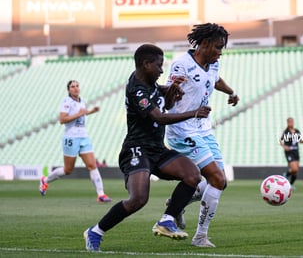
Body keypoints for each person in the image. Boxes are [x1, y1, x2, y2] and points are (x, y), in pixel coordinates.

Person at [84, 44, 212, 252]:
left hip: (156, 149)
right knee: (138, 199)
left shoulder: (151, 83)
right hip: (136, 149)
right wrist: (194, 112)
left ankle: (167, 219)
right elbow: (160, 117)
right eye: (159, 66)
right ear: (145, 64)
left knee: (192, 175)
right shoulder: (136, 90)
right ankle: (95, 232)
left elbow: (165, 102)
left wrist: (171, 90)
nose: (162, 70)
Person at [164, 23, 239, 248]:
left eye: (222, 48)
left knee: (220, 182)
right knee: (216, 178)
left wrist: (232, 92)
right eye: (217, 47)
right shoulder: (181, 65)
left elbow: (215, 80)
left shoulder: (213, 64)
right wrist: (173, 94)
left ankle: (176, 204)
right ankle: (200, 236)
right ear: (204, 44)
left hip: (203, 130)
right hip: (183, 130)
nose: (220, 52)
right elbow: (167, 101)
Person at [39, 80, 112, 203]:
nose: (76, 88)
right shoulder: (66, 101)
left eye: (77, 86)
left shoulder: (81, 100)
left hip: (84, 136)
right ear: (68, 90)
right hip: (71, 138)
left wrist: (91, 111)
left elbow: (81, 114)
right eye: (72, 87)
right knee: (68, 170)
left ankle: (101, 194)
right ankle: (45, 180)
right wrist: (80, 114)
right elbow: (62, 120)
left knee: (92, 165)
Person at [279, 117, 303, 187]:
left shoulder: (296, 131)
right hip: (289, 152)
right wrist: (285, 146)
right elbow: (281, 140)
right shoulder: (286, 132)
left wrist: (302, 141)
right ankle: (286, 174)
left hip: (296, 151)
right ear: (287, 123)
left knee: (296, 171)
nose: (291, 123)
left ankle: (290, 185)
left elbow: (300, 140)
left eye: (292, 121)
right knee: (294, 169)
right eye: (290, 122)